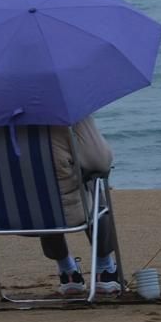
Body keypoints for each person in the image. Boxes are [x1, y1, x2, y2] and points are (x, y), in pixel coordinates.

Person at [39, 114, 123, 295]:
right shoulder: (69, 111)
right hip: (67, 210)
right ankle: (104, 269)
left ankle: (67, 270)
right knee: (94, 180)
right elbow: (100, 161)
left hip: (9, 215)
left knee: (38, 191)